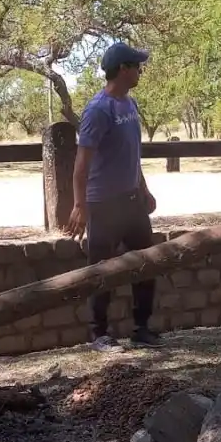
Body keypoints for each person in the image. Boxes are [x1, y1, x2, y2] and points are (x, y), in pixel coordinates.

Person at [64, 42, 163, 353]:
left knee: (146, 264)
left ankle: (141, 328)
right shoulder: (98, 110)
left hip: (132, 200)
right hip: (103, 204)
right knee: (101, 271)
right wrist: (80, 205)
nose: (140, 71)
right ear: (123, 69)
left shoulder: (129, 105)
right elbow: (81, 166)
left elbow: (132, 156)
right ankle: (99, 335)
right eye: (137, 66)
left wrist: (143, 189)